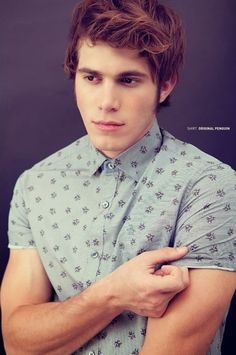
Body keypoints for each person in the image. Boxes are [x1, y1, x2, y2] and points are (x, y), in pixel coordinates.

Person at [1, 0, 235, 354]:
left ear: (166, 85)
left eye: (128, 80)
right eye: (91, 77)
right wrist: (113, 294)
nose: (106, 101)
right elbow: (18, 344)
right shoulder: (35, 184)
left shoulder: (211, 186)